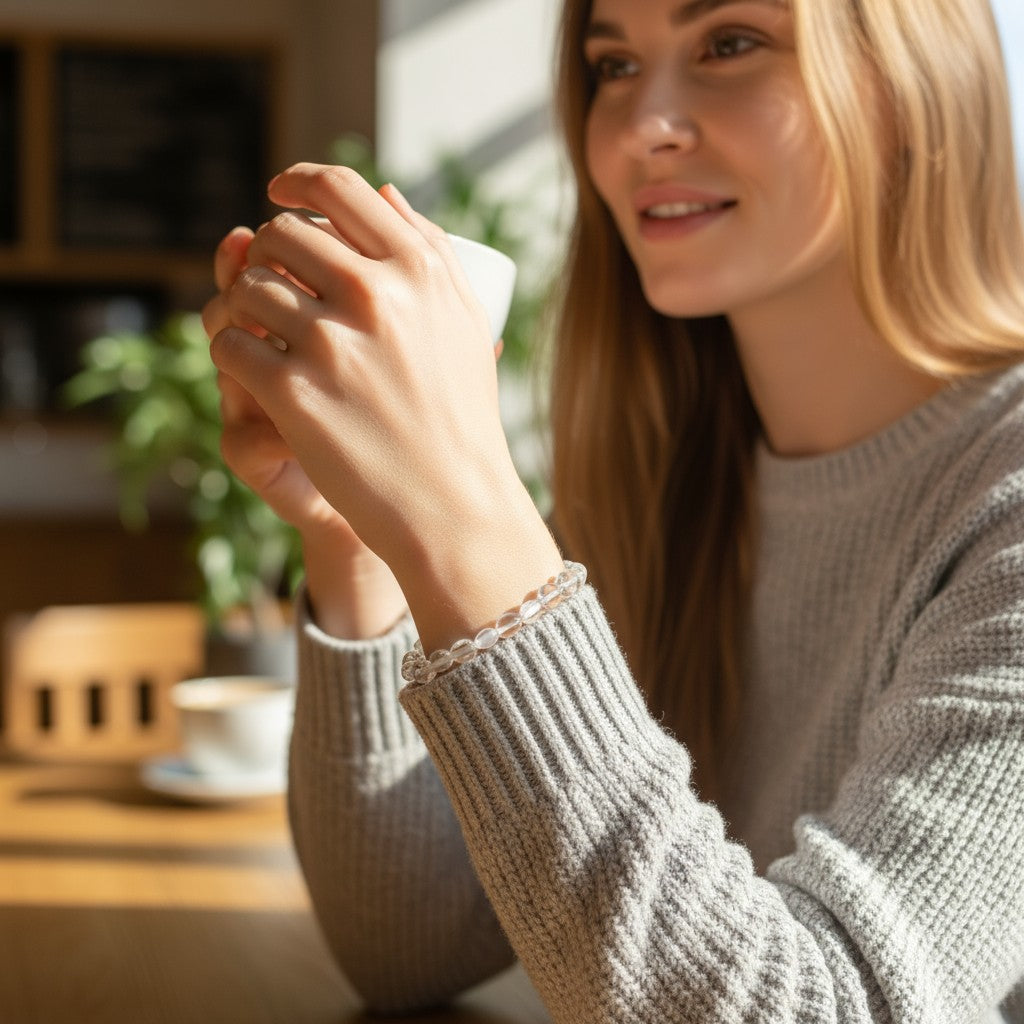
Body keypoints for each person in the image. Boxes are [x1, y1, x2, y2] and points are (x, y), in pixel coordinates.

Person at [201, 0, 1024, 1019]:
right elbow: (409, 938)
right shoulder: (657, 474)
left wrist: (464, 507)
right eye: (613, 65)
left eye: (729, 43)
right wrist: (354, 534)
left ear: (911, 86)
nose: (640, 128)